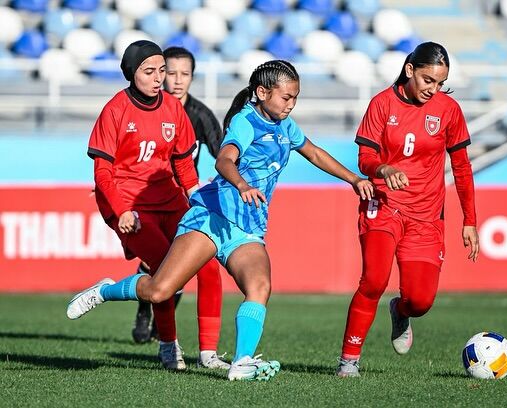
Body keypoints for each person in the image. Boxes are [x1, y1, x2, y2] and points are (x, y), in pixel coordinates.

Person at [67, 59, 374, 381]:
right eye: (286, 97)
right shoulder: (245, 122)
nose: (291, 104)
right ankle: (105, 291)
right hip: (213, 217)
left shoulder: (286, 126)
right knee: (160, 291)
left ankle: (241, 362)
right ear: (262, 93)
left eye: (295, 97)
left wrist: (353, 179)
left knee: (259, 286)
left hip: (247, 227)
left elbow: (314, 153)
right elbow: (225, 160)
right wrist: (242, 184)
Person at [79, 40, 227, 371]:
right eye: (150, 71)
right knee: (164, 272)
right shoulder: (116, 109)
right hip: (132, 205)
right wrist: (122, 211)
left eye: (162, 70)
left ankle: (209, 353)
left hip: (170, 199)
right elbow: (103, 173)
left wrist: (198, 201)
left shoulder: (174, 109)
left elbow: (185, 166)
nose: (159, 77)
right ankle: (168, 346)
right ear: (132, 73)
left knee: (208, 263)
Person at [336, 42, 480, 377]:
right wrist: (384, 170)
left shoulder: (449, 110)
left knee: (421, 300)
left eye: (440, 83)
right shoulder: (381, 104)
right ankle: (348, 361)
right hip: (383, 205)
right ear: (410, 70)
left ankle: (400, 311)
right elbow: (365, 159)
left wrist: (470, 220)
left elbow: (461, 167)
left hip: (426, 216)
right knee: (373, 280)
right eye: (428, 79)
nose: (433, 89)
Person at [131, 47, 226, 366]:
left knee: (194, 264)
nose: (176, 80)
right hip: (150, 198)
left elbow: (222, 149)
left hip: (184, 200)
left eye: (184, 74)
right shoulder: (145, 110)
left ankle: (201, 348)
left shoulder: (199, 114)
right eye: (170, 72)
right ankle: (147, 310)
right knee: (157, 264)